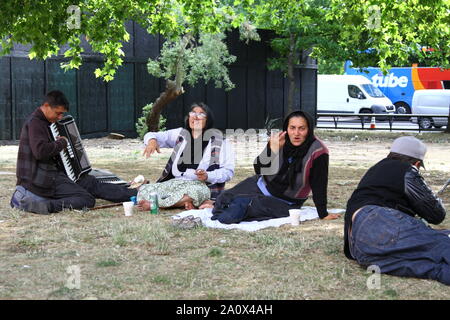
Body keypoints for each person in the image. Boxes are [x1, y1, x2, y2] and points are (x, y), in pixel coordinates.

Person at [10, 90, 138, 214]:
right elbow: (40, 151)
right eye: (58, 113)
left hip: (50, 175)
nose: (60, 117)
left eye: (62, 114)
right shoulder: (36, 123)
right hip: (40, 180)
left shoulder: (45, 122)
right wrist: (62, 143)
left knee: (90, 183)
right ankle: (46, 205)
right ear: (46, 106)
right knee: (86, 199)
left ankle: (137, 194)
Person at [344, 136, 450, 285]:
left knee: (433, 267)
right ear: (417, 163)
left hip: (361, 248)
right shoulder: (407, 170)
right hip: (377, 221)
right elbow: (436, 214)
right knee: (443, 243)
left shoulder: (376, 168)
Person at [210, 110, 340, 223]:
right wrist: (271, 150)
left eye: (302, 128)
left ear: (309, 129)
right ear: (286, 128)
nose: (296, 133)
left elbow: (320, 184)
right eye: (292, 128)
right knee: (222, 200)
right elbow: (259, 169)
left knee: (239, 210)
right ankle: (242, 205)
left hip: (285, 202)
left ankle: (245, 206)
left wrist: (323, 213)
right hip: (260, 185)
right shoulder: (280, 140)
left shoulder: (318, 151)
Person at [140, 102, 234, 210]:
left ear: (208, 121)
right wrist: (152, 141)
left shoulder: (221, 142)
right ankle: (185, 202)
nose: (196, 117)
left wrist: (208, 175)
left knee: (197, 193)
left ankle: (157, 205)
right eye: (193, 113)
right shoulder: (181, 134)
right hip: (176, 184)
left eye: (201, 114)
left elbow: (228, 172)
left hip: (200, 186)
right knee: (144, 190)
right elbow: (152, 135)